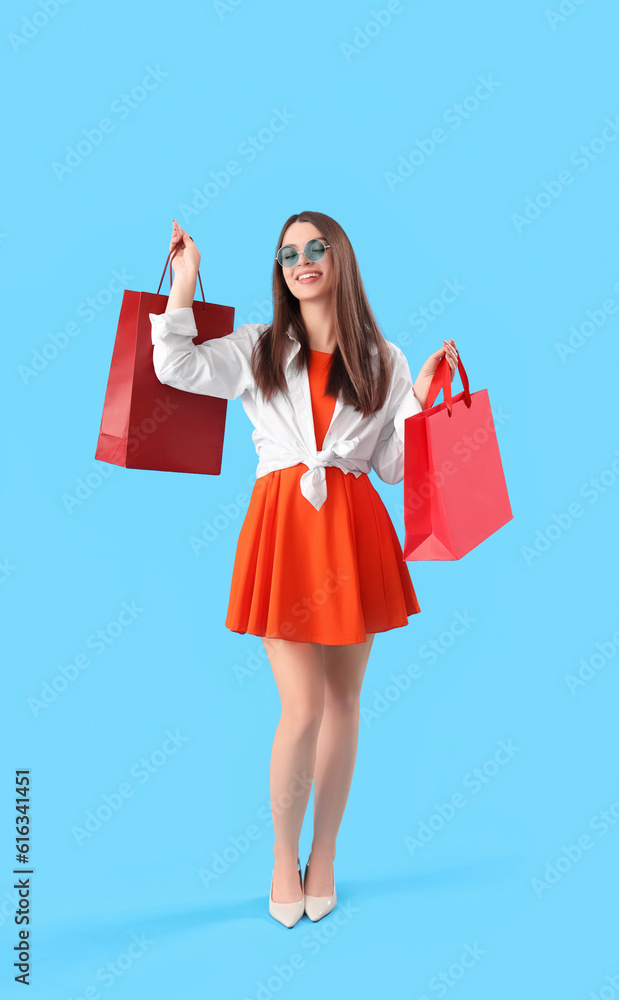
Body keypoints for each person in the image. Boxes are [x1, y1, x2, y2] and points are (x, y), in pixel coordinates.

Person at [149, 212, 458, 927]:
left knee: (345, 703)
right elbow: (176, 365)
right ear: (280, 270)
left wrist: (420, 401)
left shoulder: (384, 357)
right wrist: (186, 284)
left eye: (316, 248)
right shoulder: (259, 346)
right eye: (289, 253)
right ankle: (282, 856)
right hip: (285, 532)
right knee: (302, 706)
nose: (302, 260)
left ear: (340, 259)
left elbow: (393, 468)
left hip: (352, 533)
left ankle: (324, 856)